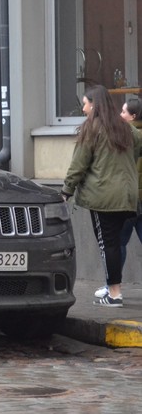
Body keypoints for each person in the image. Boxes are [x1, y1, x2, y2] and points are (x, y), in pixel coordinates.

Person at [61, 85, 142, 307]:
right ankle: (114, 290)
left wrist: (66, 190)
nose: (83, 109)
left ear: (94, 105)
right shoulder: (124, 127)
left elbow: (79, 164)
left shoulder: (92, 128)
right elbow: (139, 144)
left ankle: (114, 294)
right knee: (114, 244)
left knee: (109, 245)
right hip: (127, 197)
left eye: (85, 104)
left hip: (103, 196)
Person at [94, 98, 142, 299]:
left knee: (116, 244)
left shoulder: (128, 137)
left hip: (130, 201)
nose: (120, 116)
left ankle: (111, 286)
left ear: (133, 116)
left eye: (123, 112)